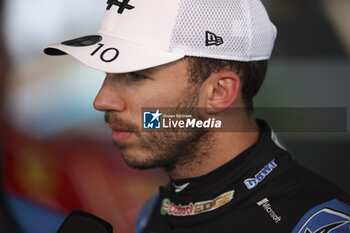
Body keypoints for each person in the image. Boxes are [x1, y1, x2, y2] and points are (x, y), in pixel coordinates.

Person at [44, 0, 350, 232]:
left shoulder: (311, 221)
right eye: (107, 74)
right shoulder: (157, 209)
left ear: (218, 92)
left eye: (135, 76)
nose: (102, 100)